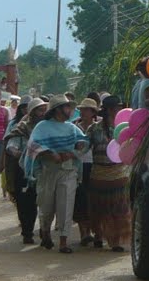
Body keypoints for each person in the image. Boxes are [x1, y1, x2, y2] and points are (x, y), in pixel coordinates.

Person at [27, 94, 87, 252]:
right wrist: (50, 154)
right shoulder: (42, 127)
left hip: (68, 170)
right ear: (57, 109)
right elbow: (33, 145)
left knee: (66, 205)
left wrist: (75, 150)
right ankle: (45, 232)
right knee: (46, 206)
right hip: (48, 171)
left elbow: (84, 142)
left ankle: (63, 241)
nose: (70, 110)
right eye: (67, 107)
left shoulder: (72, 127)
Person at [86, 93, 132, 251]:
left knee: (118, 210)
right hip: (99, 175)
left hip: (119, 174)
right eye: (117, 108)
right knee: (100, 209)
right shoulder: (94, 129)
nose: (118, 110)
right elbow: (85, 147)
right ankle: (99, 235)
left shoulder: (125, 128)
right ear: (109, 110)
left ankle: (115, 241)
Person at [5, 100, 48, 244]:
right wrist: (24, 155)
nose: (43, 113)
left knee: (45, 203)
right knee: (25, 204)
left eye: (44, 110)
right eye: (39, 110)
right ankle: (27, 232)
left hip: (44, 170)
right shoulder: (22, 128)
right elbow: (10, 146)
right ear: (32, 112)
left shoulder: (48, 128)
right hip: (24, 170)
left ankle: (44, 230)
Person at [72, 96, 103, 247]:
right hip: (78, 166)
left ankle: (96, 232)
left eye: (86, 110)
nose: (83, 112)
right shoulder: (73, 127)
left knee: (94, 199)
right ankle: (84, 233)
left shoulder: (99, 128)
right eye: (82, 109)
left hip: (94, 165)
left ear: (93, 112)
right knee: (80, 199)